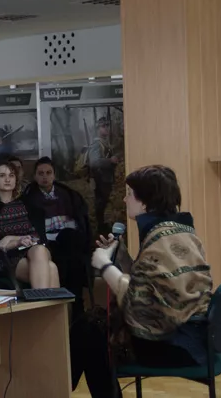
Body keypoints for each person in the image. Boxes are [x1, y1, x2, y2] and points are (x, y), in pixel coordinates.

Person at [71, 165, 212, 398]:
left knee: (90, 331)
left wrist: (105, 266)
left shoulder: (161, 241)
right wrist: (122, 256)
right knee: (90, 328)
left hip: (178, 344)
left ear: (145, 203)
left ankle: (54, 387)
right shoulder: (175, 230)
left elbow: (140, 304)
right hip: (191, 336)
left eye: (129, 194)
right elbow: (150, 285)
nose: (124, 199)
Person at [0, 161, 60, 289]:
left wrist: (10, 238)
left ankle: (40, 298)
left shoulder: (27, 203)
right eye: (2, 175)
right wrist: (16, 242)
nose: (7, 179)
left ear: (16, 179)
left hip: (35, 250)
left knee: (39, 250)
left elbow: (38, 238)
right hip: (7, 257)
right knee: (51, 268)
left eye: (11, 175)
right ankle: (46, 301)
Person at [23, 157, 91, 316]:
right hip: (47, 243)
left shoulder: (68, 195)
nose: (45, 177)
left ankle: (76, 308)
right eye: (41, 173)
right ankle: (65, 310)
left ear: (54, 175)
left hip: (69, 241)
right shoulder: (29, 199)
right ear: (35, 176)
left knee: (72, 249)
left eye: (48, 173)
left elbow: (81, 222)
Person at [89, 117, 119, 232]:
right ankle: (101, 227)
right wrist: (110, 161)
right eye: (103, 126)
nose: (106, 128)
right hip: (100, 179)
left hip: (105, 178)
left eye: (107, 125)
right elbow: (94, 162)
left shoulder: (104, 142)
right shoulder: (97, 144)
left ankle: (103, 225)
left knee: (104, 202)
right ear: (98, 129)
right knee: (101, 203)